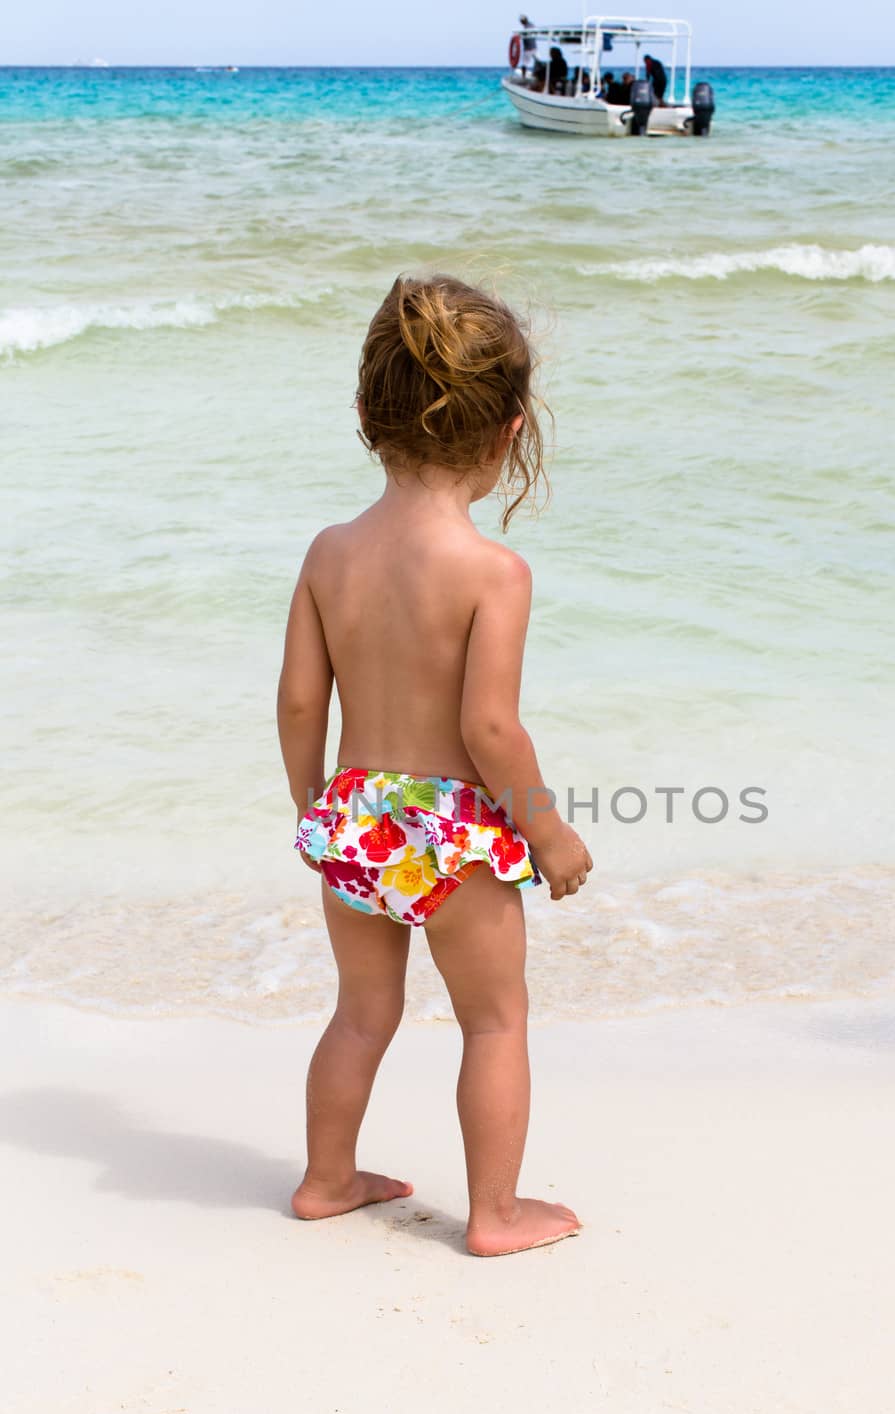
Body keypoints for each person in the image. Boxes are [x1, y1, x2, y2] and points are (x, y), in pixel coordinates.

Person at [277, 274, 592, 1258]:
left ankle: (328, 1178)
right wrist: (545, 829)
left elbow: (297, 701)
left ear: (368, 415)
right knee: (494, 1022)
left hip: (357, 816)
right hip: (451, 833)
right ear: (506, 434)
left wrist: (317, 809)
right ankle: (493, 1215)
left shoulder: (330, 552)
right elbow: (489, 728)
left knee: (361, 1010)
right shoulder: (490, 572)